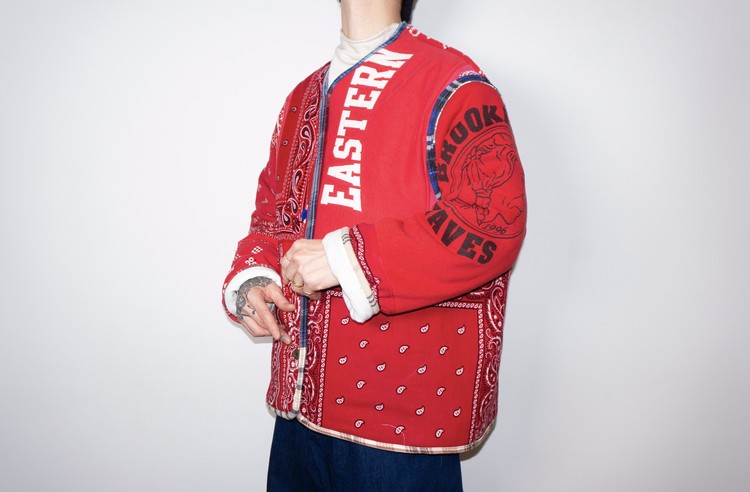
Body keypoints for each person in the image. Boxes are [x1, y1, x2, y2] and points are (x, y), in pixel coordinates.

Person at [221, 0, 527, 489]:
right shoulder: (304, 94)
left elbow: (491, 225)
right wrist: (254, 277)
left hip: (401, 423)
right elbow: (272, 210)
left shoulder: (452, 82)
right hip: (297, 413)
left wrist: (345, 257)